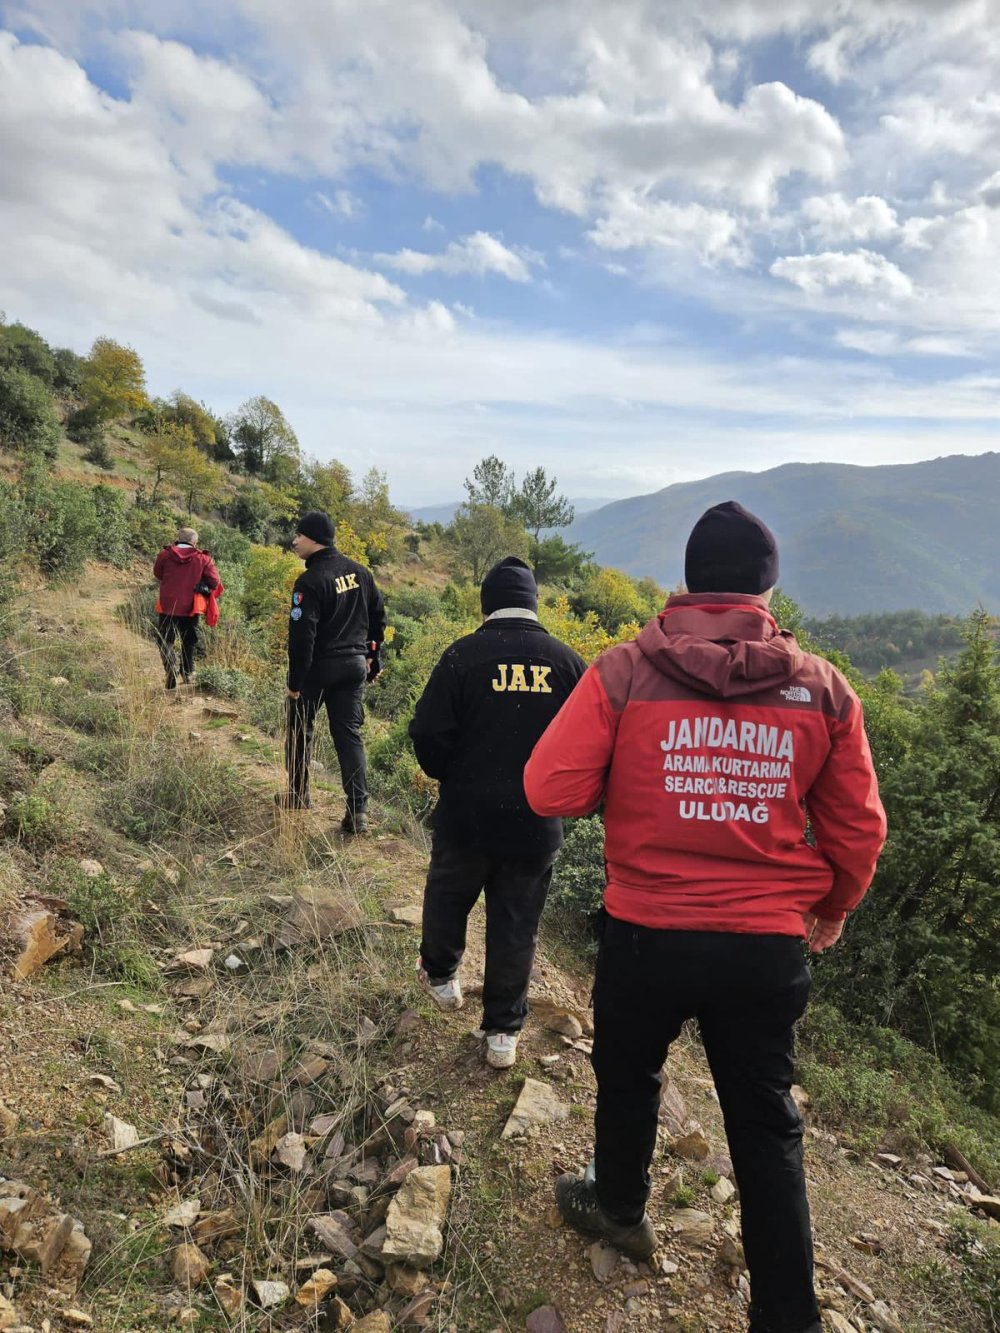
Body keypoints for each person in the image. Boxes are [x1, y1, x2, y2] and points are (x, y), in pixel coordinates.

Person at [524, 501, 887, 1332]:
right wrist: (831, 906)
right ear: (768, 587)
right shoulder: (824, 690)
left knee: (627, 1074)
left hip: (647, 933)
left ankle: (617, 1205)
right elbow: (859, 829)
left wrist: (624, 780)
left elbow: (549, 788)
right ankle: (786, 1315)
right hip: (764, 945)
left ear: (686, 583)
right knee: (765, 1123)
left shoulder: (622, 672)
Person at [409, 556, 587, 1069]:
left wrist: (454, 775)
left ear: (486, 604)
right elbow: (591, 747)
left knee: (447, 897)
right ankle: (503, 1033)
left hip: (466, 816)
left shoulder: (463, 656)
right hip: (536, 826)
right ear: (534, 603)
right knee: (516, 924)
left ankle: (441, 979)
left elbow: (426, 733)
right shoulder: (568, 663)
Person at [280, 510, 386, 835]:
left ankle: (298, 795)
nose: (294, 540)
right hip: (353, 667)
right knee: (349, 738)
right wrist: (373, 658)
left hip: (318, 670)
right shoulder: (360, 573)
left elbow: (302, 638)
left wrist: (295, 684)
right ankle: (358, 812)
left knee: (300, 729)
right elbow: (378, 618)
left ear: (314, 539)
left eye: (299, 535)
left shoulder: (309, 581)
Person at [153, 527, 221, 690]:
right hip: (191, 606)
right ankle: (187, 672)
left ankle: (170, 667)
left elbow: (158, 574)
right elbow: (215, 581)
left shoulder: (164, 555)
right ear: (195, 542)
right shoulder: (203, 559)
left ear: (178, 538)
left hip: (167, 604)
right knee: (189, 640)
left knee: (165, 639)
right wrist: (201, 584)